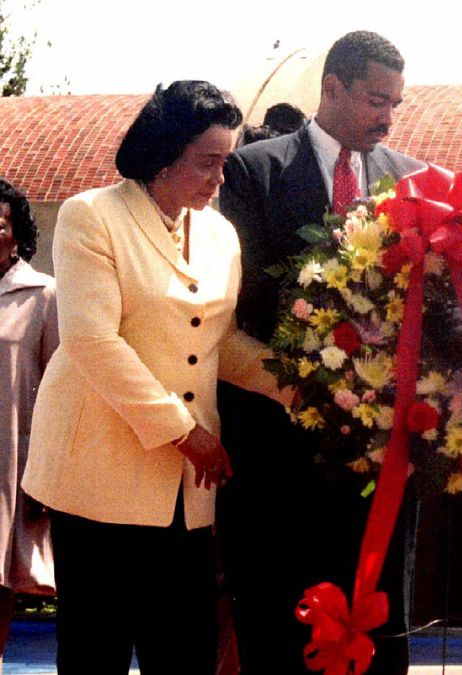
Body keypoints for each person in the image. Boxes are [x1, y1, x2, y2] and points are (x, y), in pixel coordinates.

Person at [21, 81, 290, 675]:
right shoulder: (90, 215)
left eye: (227, 160)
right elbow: (93, 340)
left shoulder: (220, 234)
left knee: (186, 652)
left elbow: (219, 343)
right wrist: (183, 431)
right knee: (97, 654)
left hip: (186, 494)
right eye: (208, 162)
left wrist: (302, 388)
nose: (220, 178)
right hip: (98, 480)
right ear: (163, 154)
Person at [217, 30, 423, 674]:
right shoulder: (254, 171)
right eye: (373, 100)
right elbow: (237, 308)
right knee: (278, 633)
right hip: (276, 451)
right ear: (331, 88)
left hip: (376, 466)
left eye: (396, 103)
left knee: (376, 632)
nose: (387, 117)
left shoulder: (410, 181)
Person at [0, 179, 56, 663]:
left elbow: (58, 390)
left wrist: (45, 476)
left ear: (16, 234)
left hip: (7, 464)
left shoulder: (42, 296)